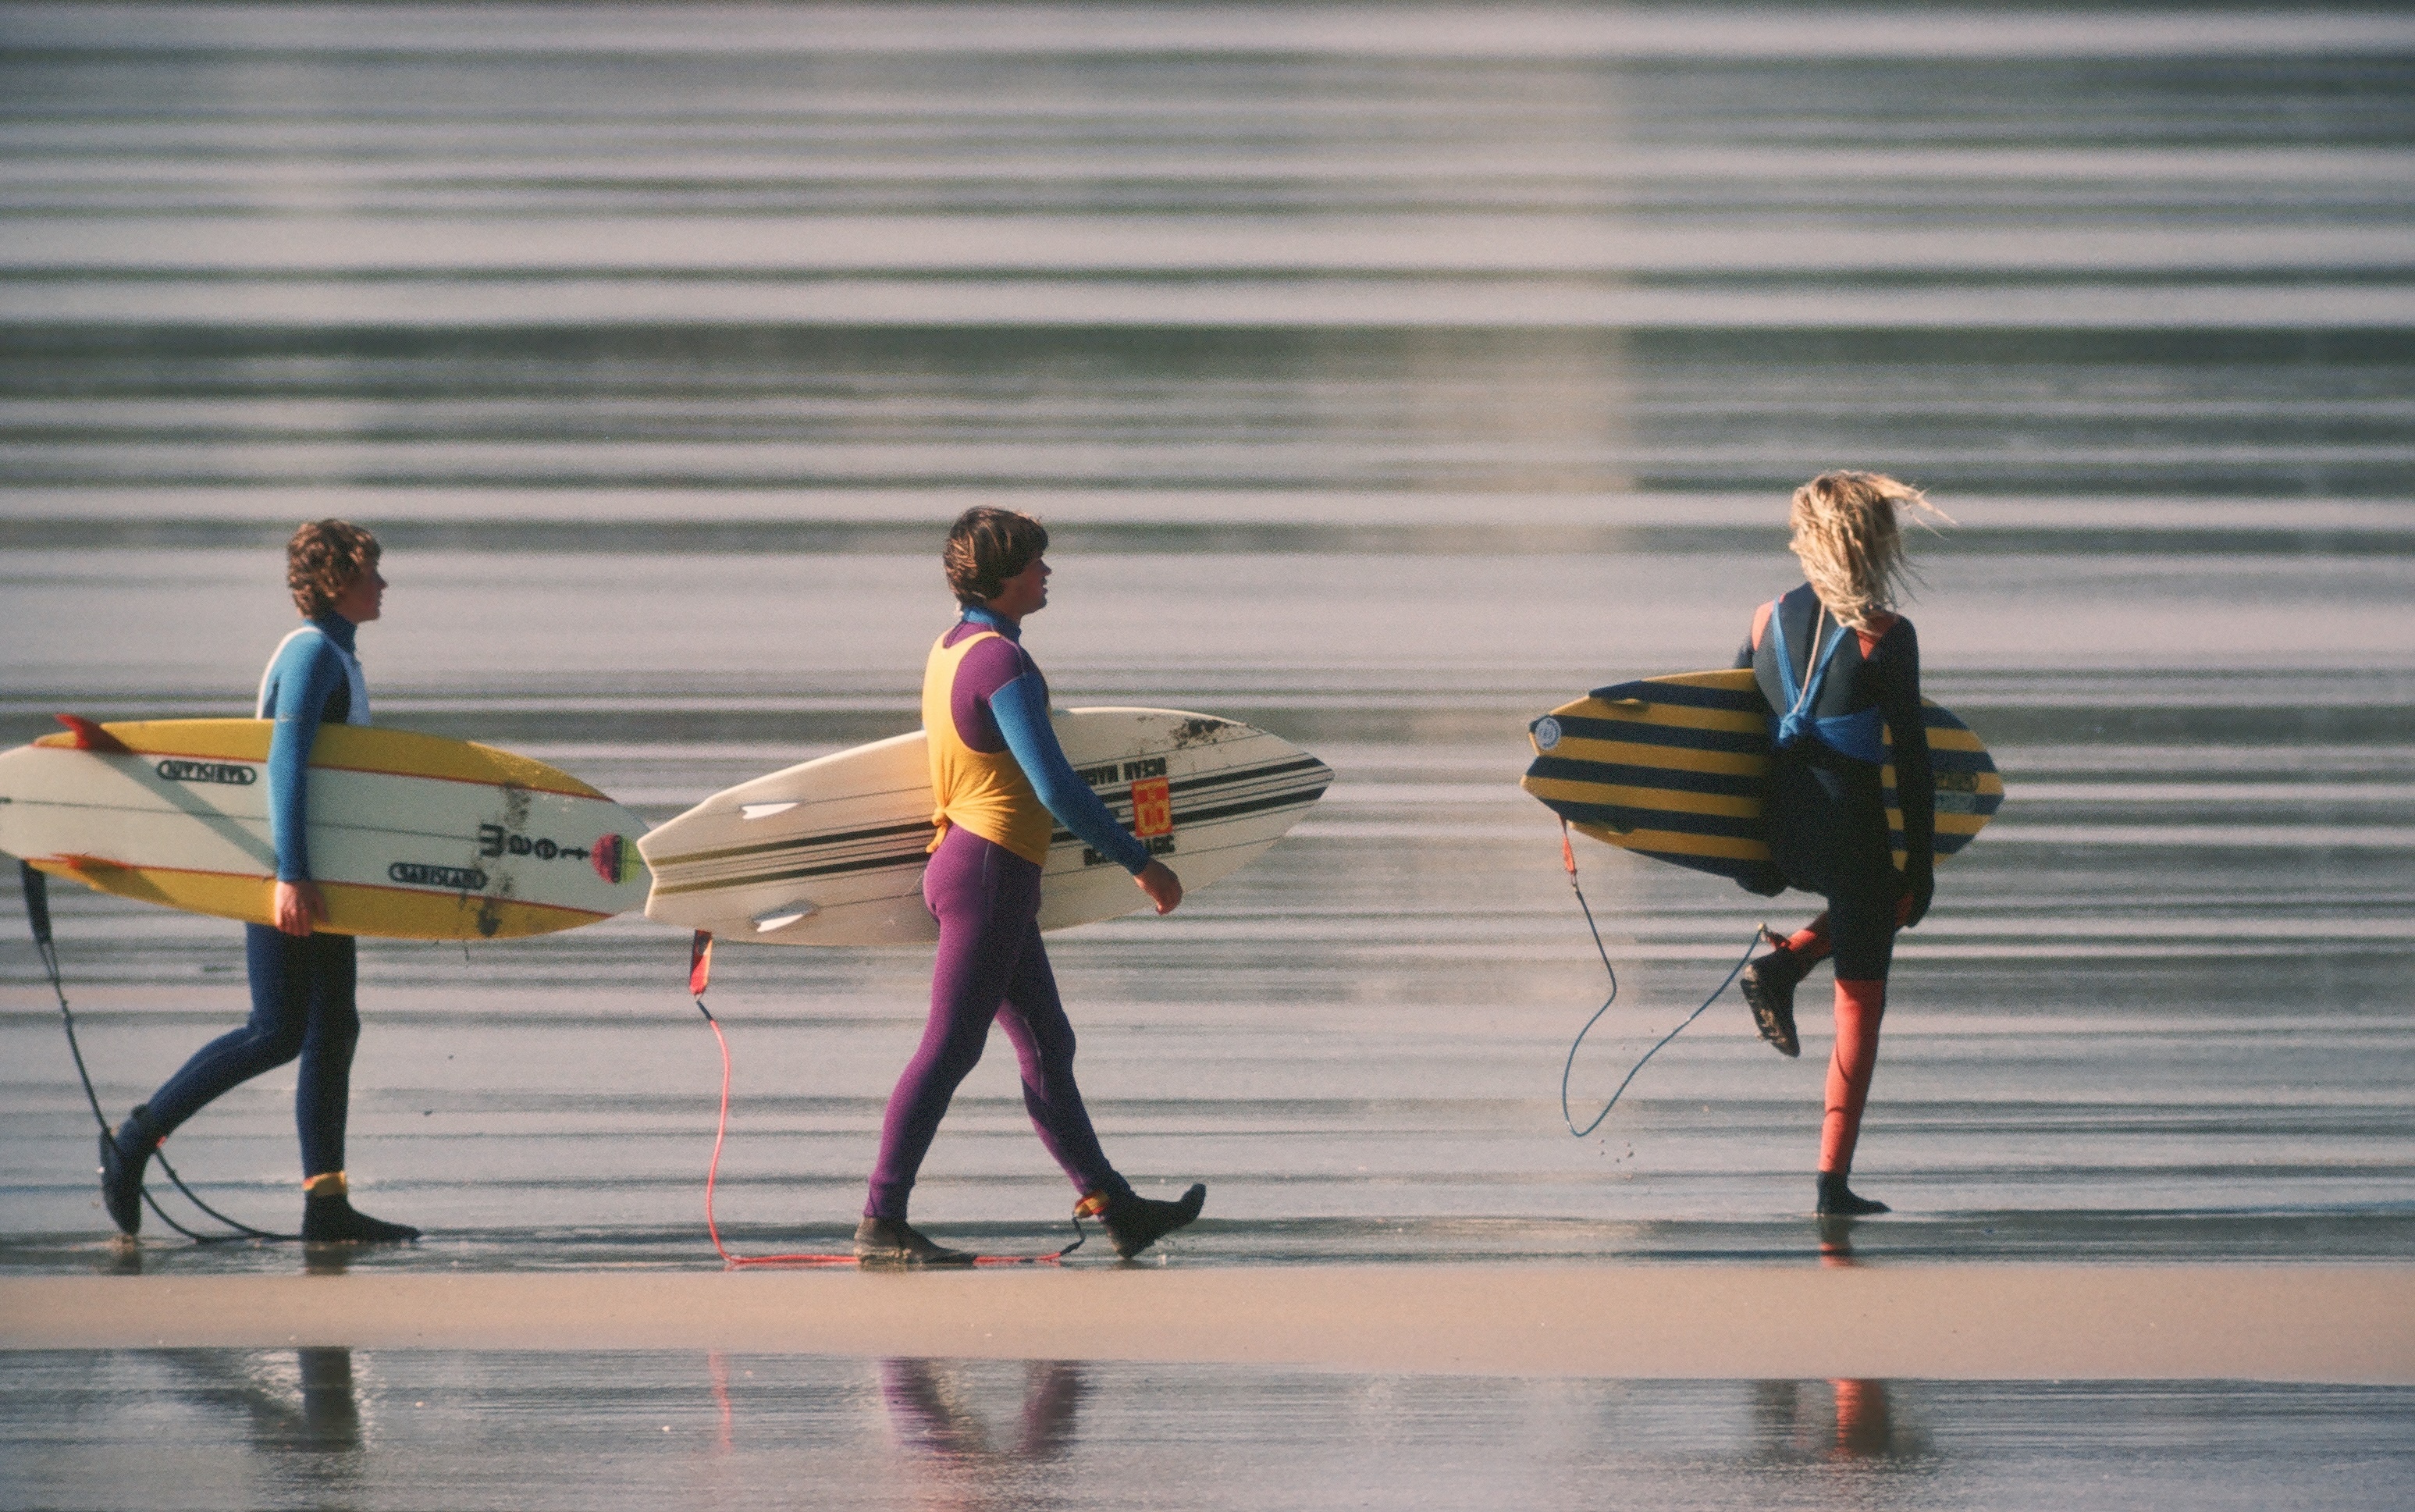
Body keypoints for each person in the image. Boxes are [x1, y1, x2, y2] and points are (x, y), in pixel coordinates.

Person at [857, 507, 1205, 1265]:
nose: (1047, 573)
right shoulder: (1001, 665)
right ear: (1005, 575)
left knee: (1048, 1042)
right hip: (989, 869)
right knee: (949, 1047)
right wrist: (1139, 860)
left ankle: (1116, 1208)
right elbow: (1055, 787)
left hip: (977, 864)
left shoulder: (952, 648)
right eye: (1036, 563)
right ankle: (881, 1219)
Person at [98, 521, 418, 1244]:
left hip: (322, 874)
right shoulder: (312, 654)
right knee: (276, 1031)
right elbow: (284, 764)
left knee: (335, 1026)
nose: (385, 585)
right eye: (373, 572)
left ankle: (326, 1202)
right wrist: (292, 875)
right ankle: (134, 1140)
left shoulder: (337, 652)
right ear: (339, 581)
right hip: (286, 871)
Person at [1729, 472, 1946, 1218]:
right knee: (1860, 1006)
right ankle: (1832, 1183)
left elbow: (1728, 741)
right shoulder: (1888, 638)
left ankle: (1785, 962)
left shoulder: (1762, 621)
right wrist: (1917, 870)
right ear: (1870, 540)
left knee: (1865, 912)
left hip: (1781, 843)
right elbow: (1913, 766)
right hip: (1854, 852)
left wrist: (1747, 862)